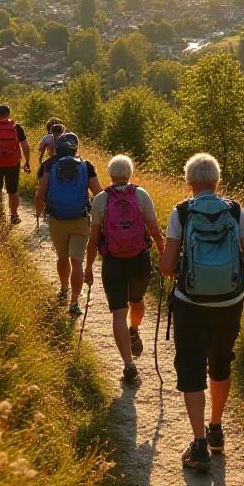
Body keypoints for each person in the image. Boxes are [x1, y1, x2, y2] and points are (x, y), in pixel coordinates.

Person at [158, 153, 244, 473]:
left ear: (189, 182)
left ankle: (199, 445)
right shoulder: (235, 210)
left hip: (190, 304)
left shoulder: (182, 212)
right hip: (229, 303)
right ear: (217, 181)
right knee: (220, 363)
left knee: (191, 369)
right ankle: (216, 429)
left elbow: (167, 266)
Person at [85, 155, 165, 383]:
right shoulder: (140, 195)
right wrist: (163, 255)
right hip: (139, 260)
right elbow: (154, 229)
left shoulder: (101, 200)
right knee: (137, 301)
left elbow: (93, 240)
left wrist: (88, 267)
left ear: (110, 175)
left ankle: (128, 365)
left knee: (118, 312)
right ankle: (134, 330)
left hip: (113, 263)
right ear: (129, 173)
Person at [35, 132, 102, 316]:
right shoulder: (86, 166)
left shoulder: (49, 165)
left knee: (62, 257)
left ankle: (64, 289)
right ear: (75, 149)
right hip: (80, 219)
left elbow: (41, 192)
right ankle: (74, 301)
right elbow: (99, 194)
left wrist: (38, 212)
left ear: (57, 149)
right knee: (77, 261)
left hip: (57, 219)